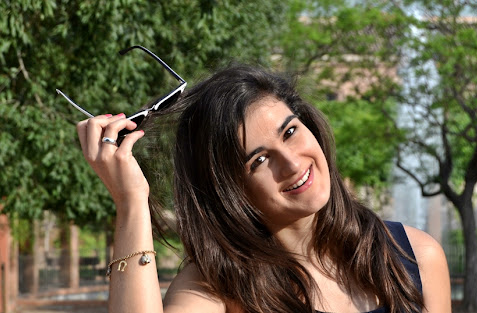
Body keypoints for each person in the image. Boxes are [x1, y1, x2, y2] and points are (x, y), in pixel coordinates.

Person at [76, 65, 451, 312]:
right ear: (230, 191)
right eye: (258, 160)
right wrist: (130, 202)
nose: (291, 162)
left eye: (290, 132)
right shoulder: (218, 290)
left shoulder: (414, 257)